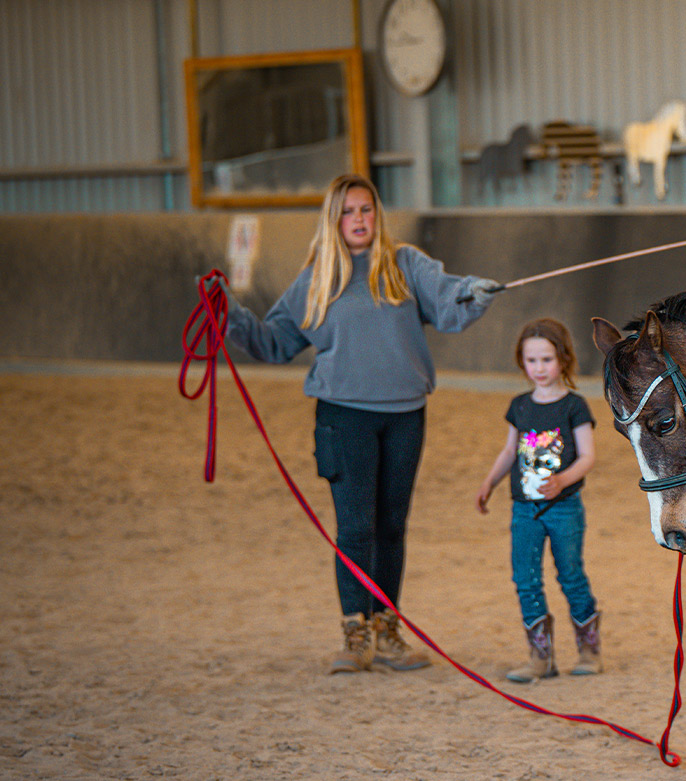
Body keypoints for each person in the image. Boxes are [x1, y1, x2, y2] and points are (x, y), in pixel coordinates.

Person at [226, 173, 500, 675]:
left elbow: (449, 302)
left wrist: (472, 293)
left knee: (392, 526)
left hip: (405, 415)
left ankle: (386, 628)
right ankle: (355, 634)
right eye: (349, 211)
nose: (359, 219)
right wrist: (229, 315)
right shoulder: (315, 281)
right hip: (343, 417)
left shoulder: (405, 266)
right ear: (334, 218)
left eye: (366, 210)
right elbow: (273, 343)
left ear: (377, 216)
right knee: (355, 527)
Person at [476, 318, 604, 680]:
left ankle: (589, 649)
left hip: (564, 508)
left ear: (563, 359)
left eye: (546, 359)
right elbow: (508, 451)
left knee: (571, 575)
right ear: (522, 362)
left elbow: (587, 457)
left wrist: (563, 479)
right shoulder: (519, 405)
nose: (539, 368)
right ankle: (540, 656)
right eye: (531, 361)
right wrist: (490, 482)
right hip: (524, 510)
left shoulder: (574, 406)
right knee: (526, 578)